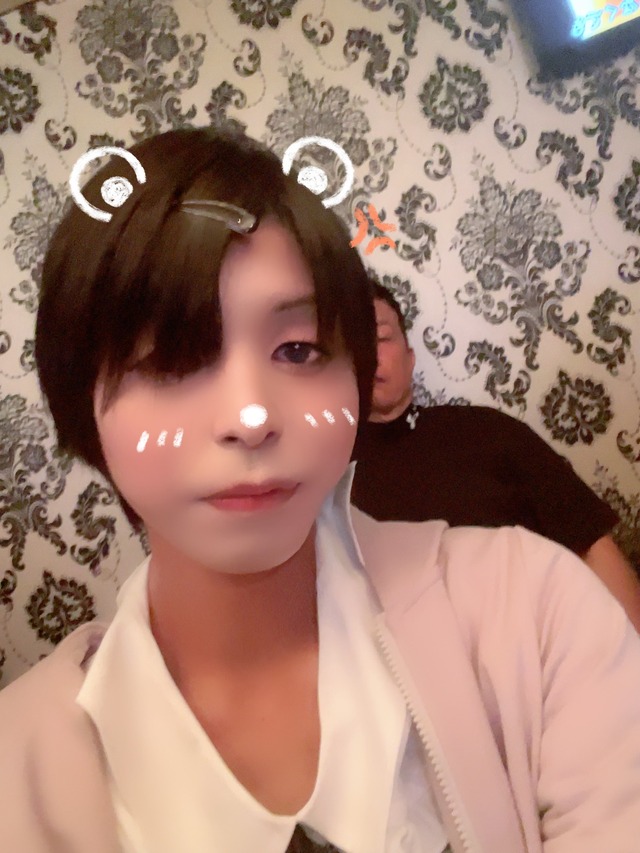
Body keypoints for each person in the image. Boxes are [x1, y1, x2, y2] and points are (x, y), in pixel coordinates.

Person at [1, 128, 640, 853]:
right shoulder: (19, 769)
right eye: (171, 360)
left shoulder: (534, 609)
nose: (251, 416)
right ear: (82, 403)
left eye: (298, 349)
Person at [352, 282, 640, 631]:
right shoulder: (322, 477)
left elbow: (592, 546)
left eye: (380, 337)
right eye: (351, 342)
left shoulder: (489, 432)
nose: (368, 354)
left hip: (543, 639)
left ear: (410, 358)